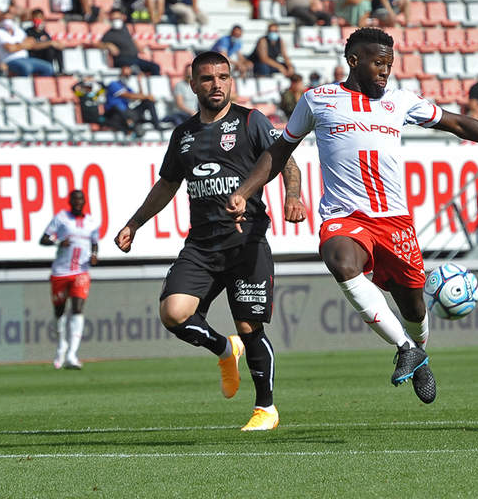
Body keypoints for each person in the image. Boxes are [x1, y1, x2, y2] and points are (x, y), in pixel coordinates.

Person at [225, 28, 478, 404]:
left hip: (394, 220)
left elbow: (457, 124)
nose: (385, 71)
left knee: (413, 305)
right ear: (354, 61)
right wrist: (245, 192)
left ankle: (418, 353)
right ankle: (406, 347)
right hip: (345, 215)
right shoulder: (317, 100)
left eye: (389, 64)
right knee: (340, 260)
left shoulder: (400, 101)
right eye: (378, 63)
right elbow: (278, 152)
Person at [114, 51, 305, 432]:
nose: (216, 84)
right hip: (201, 247)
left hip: (246, 243)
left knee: (250, 327)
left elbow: (286, 161)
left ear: (231, 80)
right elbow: (167, 184)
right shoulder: (184, 135)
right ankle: (223, 348)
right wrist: (134, 223)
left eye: (222, 77)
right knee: (173, 313)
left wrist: (292, 196)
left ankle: (265, 408)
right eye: (207, 78)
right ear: (193, 85)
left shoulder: (251, 121)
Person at [39, 190, 100, 370]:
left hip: (81, 271)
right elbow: (43, 239)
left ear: (85, 202)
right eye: (75, 200)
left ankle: (72, 354)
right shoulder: (61, 218)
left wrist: (95, 255)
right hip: (60, 271)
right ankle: (61, 346)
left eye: (81, 200)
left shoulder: (92, 222)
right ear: (70, 202)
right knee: (59, 311)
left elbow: (95, 242)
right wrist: (58, 242)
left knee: (78, 309)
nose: (78, 203)